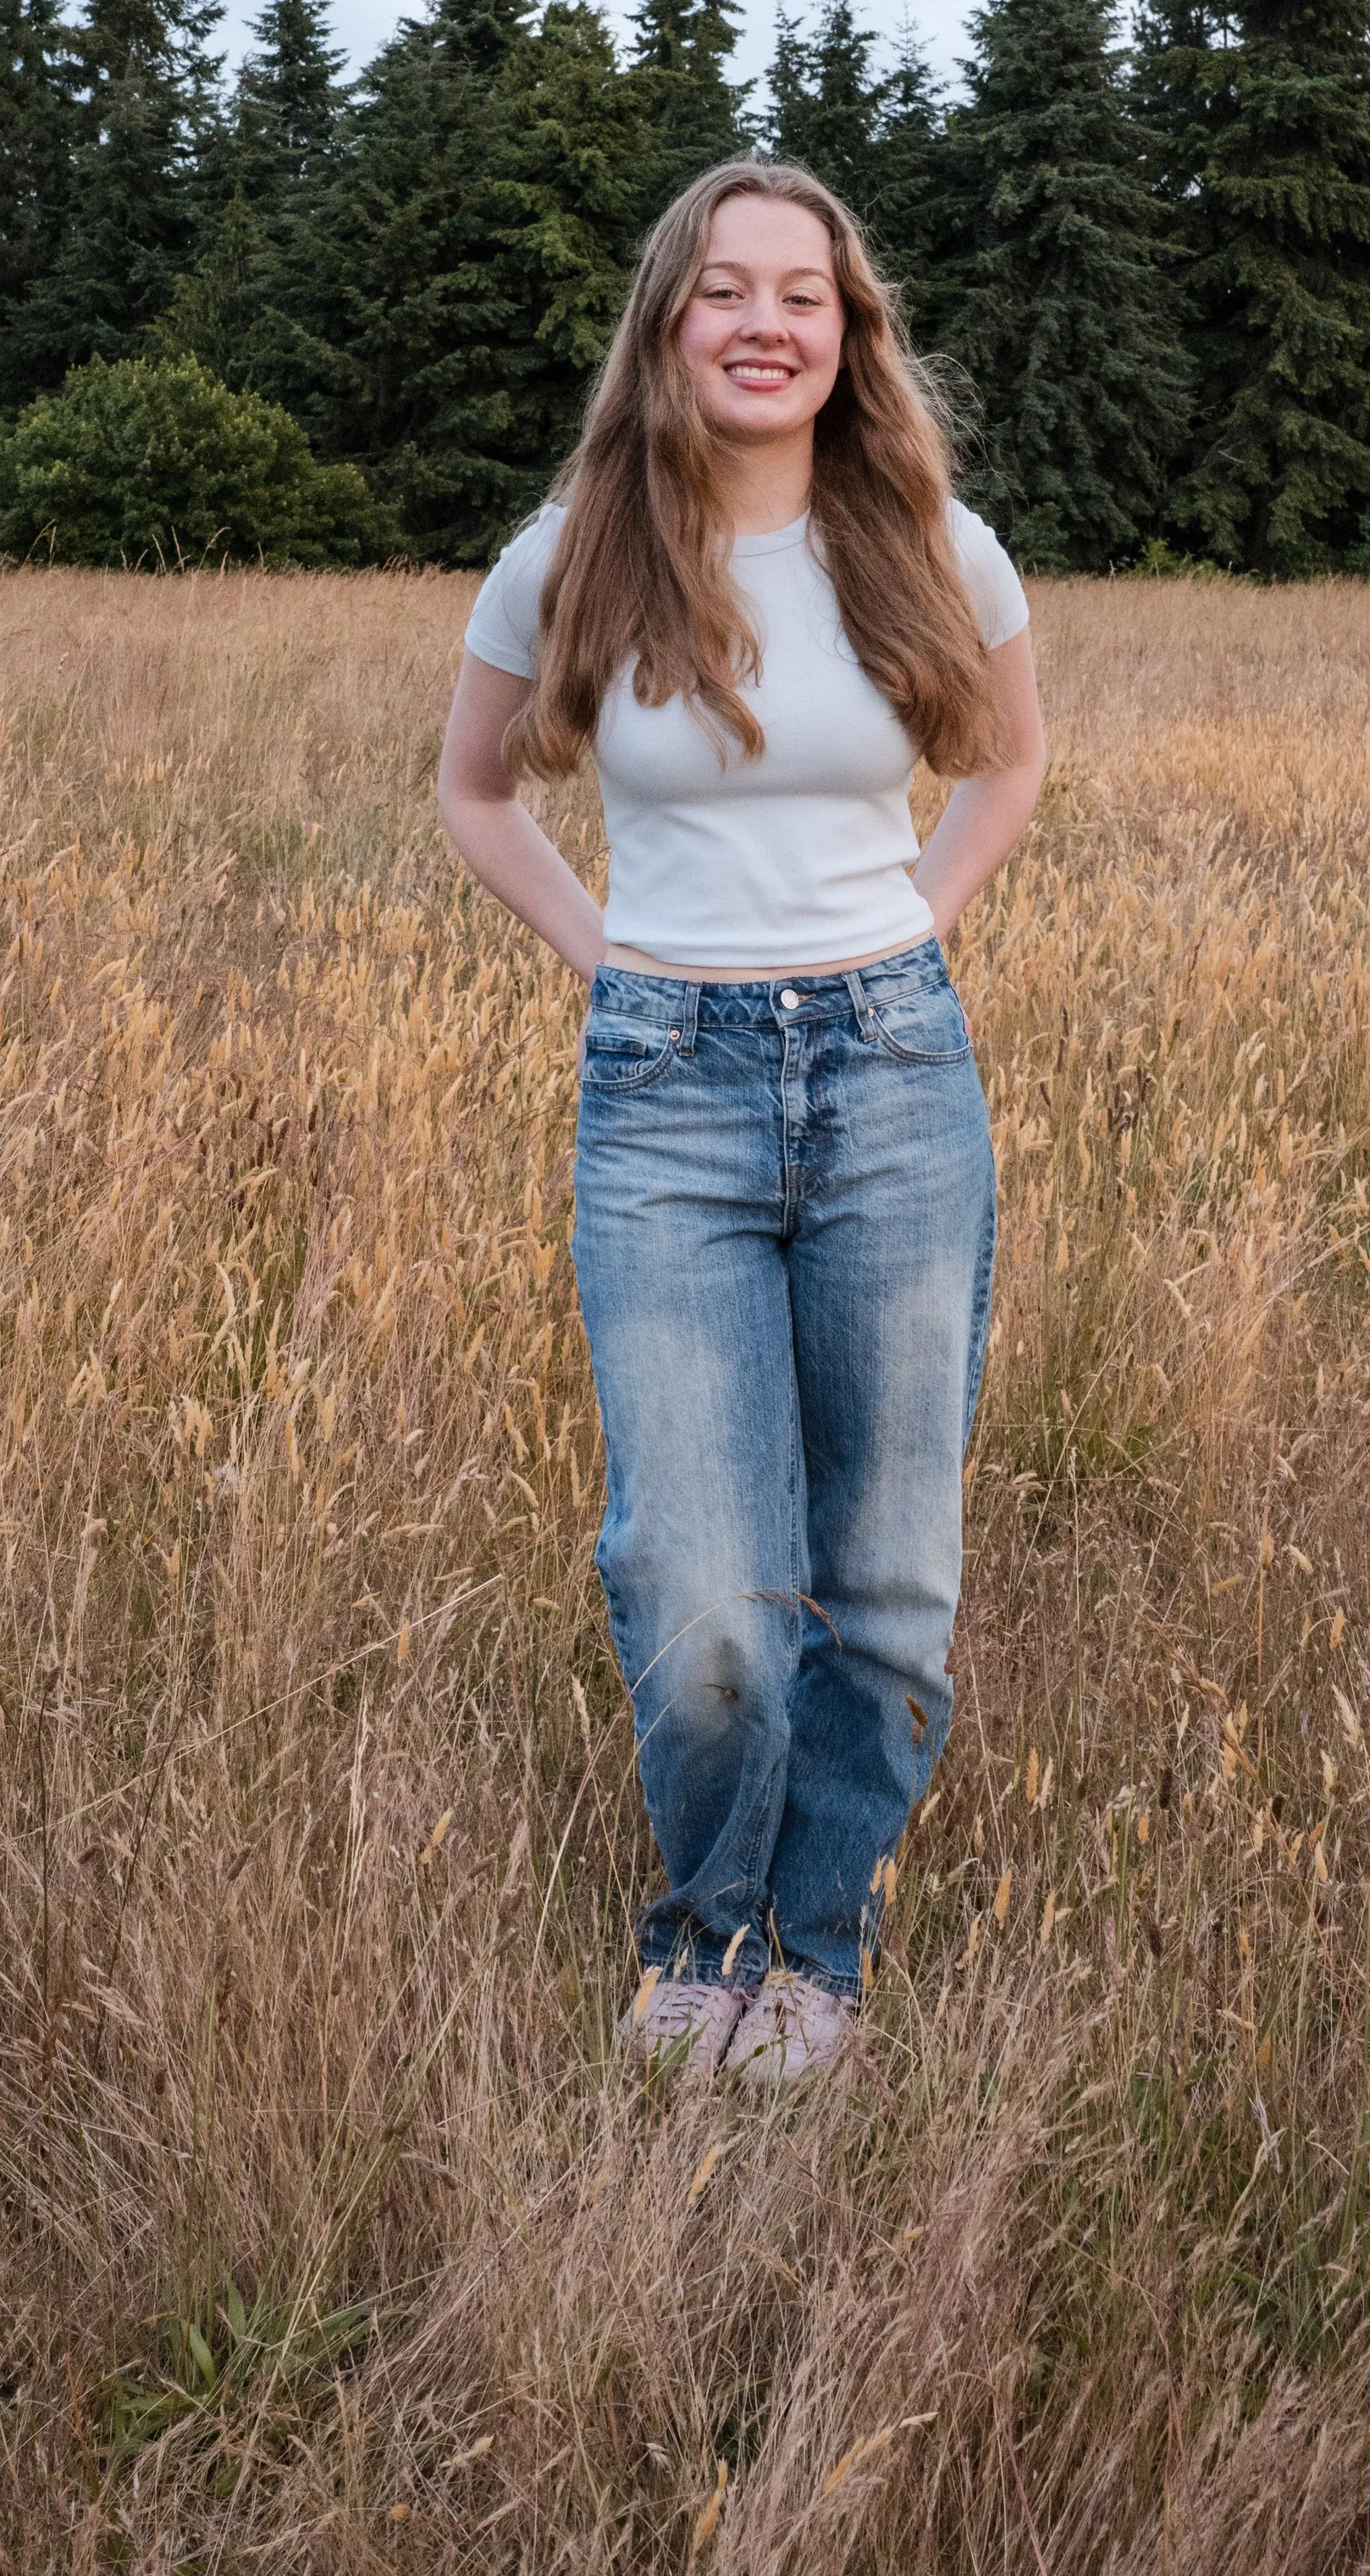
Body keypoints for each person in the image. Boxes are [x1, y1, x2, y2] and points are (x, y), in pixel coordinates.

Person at [437, 160, 1047, 2086]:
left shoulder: (933, 548)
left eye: (806, 292)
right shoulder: (572, 553)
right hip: (665, 1093)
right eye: (726, 290)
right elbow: (474, 792)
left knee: (885, 1574)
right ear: (667, 322)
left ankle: (815, 1946)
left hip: (891, 1075)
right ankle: (702, 1925)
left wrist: (908, 939)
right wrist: (612, 962)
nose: (766, 321)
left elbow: (1007, 765)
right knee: (697, 1584)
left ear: (849, 331)